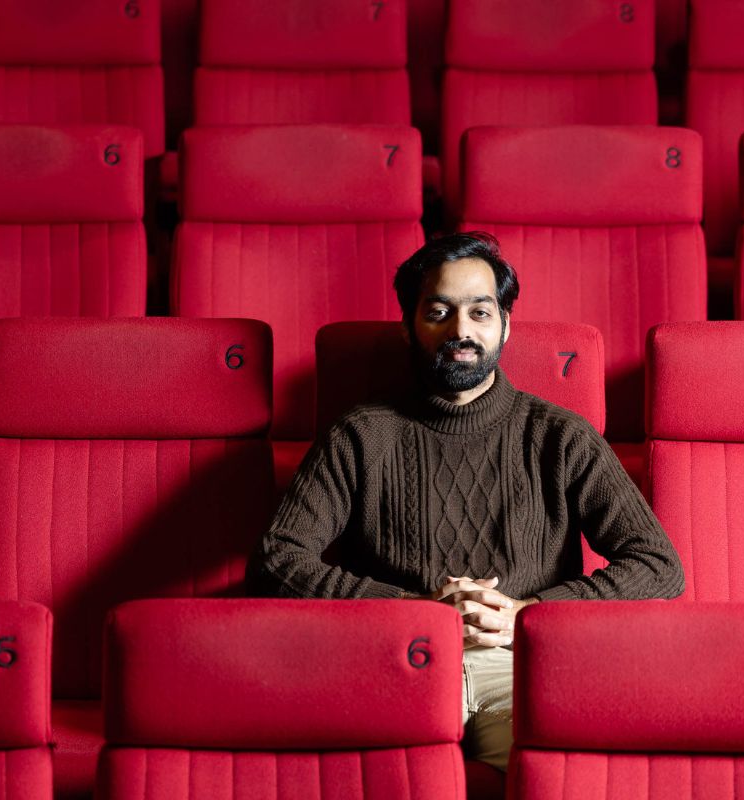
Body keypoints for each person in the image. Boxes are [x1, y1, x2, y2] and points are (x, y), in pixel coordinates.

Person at [249, 232, 684, 770]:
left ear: (505, 324)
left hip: (524, 663)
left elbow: (659, 566)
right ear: (410, 327)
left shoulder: (559, 436)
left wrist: (531, 614)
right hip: (399, 659)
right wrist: (413, 612)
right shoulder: (361, 435)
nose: (461, 331)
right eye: (439, 312)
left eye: (480, 312)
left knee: (549, 778)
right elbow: (275, 562)